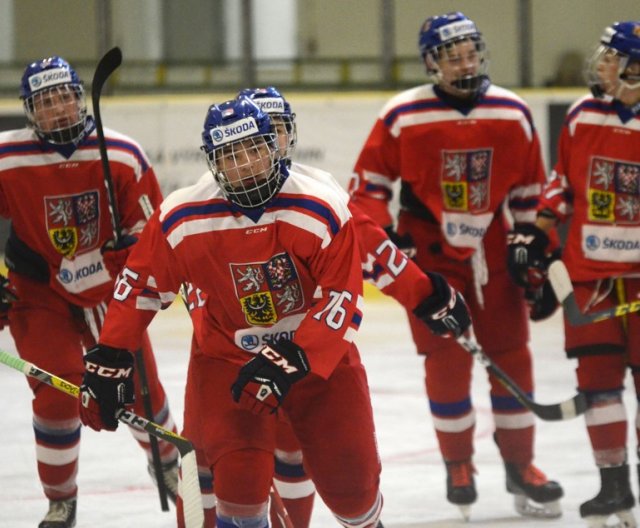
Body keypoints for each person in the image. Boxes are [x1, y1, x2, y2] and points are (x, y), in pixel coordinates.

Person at [78, 96, 386, 528]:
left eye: (254, 149)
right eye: (230, 155)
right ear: (214, 161)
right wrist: (111, 357)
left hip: (318, 365)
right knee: (239, 490)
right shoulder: (182, 217)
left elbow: (341, 298)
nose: (245, 165)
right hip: (228, 361)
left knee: (352, 490)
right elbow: (138, 289)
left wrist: (292, 356)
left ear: (273, 148)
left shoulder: (320, 205)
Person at [172, 86, 469, 528]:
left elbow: (374, 251)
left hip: (301, 352)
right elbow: (155, 269)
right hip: (223, 358)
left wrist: (425, 293)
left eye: (272, 135)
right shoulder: (197, 205)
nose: (261, 153)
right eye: (253, 142)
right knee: (211, 475)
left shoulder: (316, 197)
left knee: (302, 452)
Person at [349, 11, 565, 520]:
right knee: (446, 364)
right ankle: (458, 463)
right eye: (452, 56)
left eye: (470, 52)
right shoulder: (402, 114)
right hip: (428, 250)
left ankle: (521, 466)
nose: (464, 63)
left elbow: (531, 192)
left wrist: (531, 246)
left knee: (512, 356)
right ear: (431, 63)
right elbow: (369, 190)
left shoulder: (511, 111)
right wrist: (387, 238)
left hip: (492, 248)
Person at [0, 56, 180, 528]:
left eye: (63, 98)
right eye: (45, 102)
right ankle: (61, 501)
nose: (57, 110)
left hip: (108, 288)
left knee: (140, 389)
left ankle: (168, 464)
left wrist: (132, 250)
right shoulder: (7, 157)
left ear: (79, 99)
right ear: (29, 111)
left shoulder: (120, 153)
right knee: (57, 390)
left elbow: (154, 231)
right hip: (37, 291)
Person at [507, 20, 640, 527]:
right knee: (600, 383)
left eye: (612, 57)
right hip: (588, 276)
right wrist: (537, 235)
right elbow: (563, 182)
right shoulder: (584, 114)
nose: (601, 64)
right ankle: (615, 489)